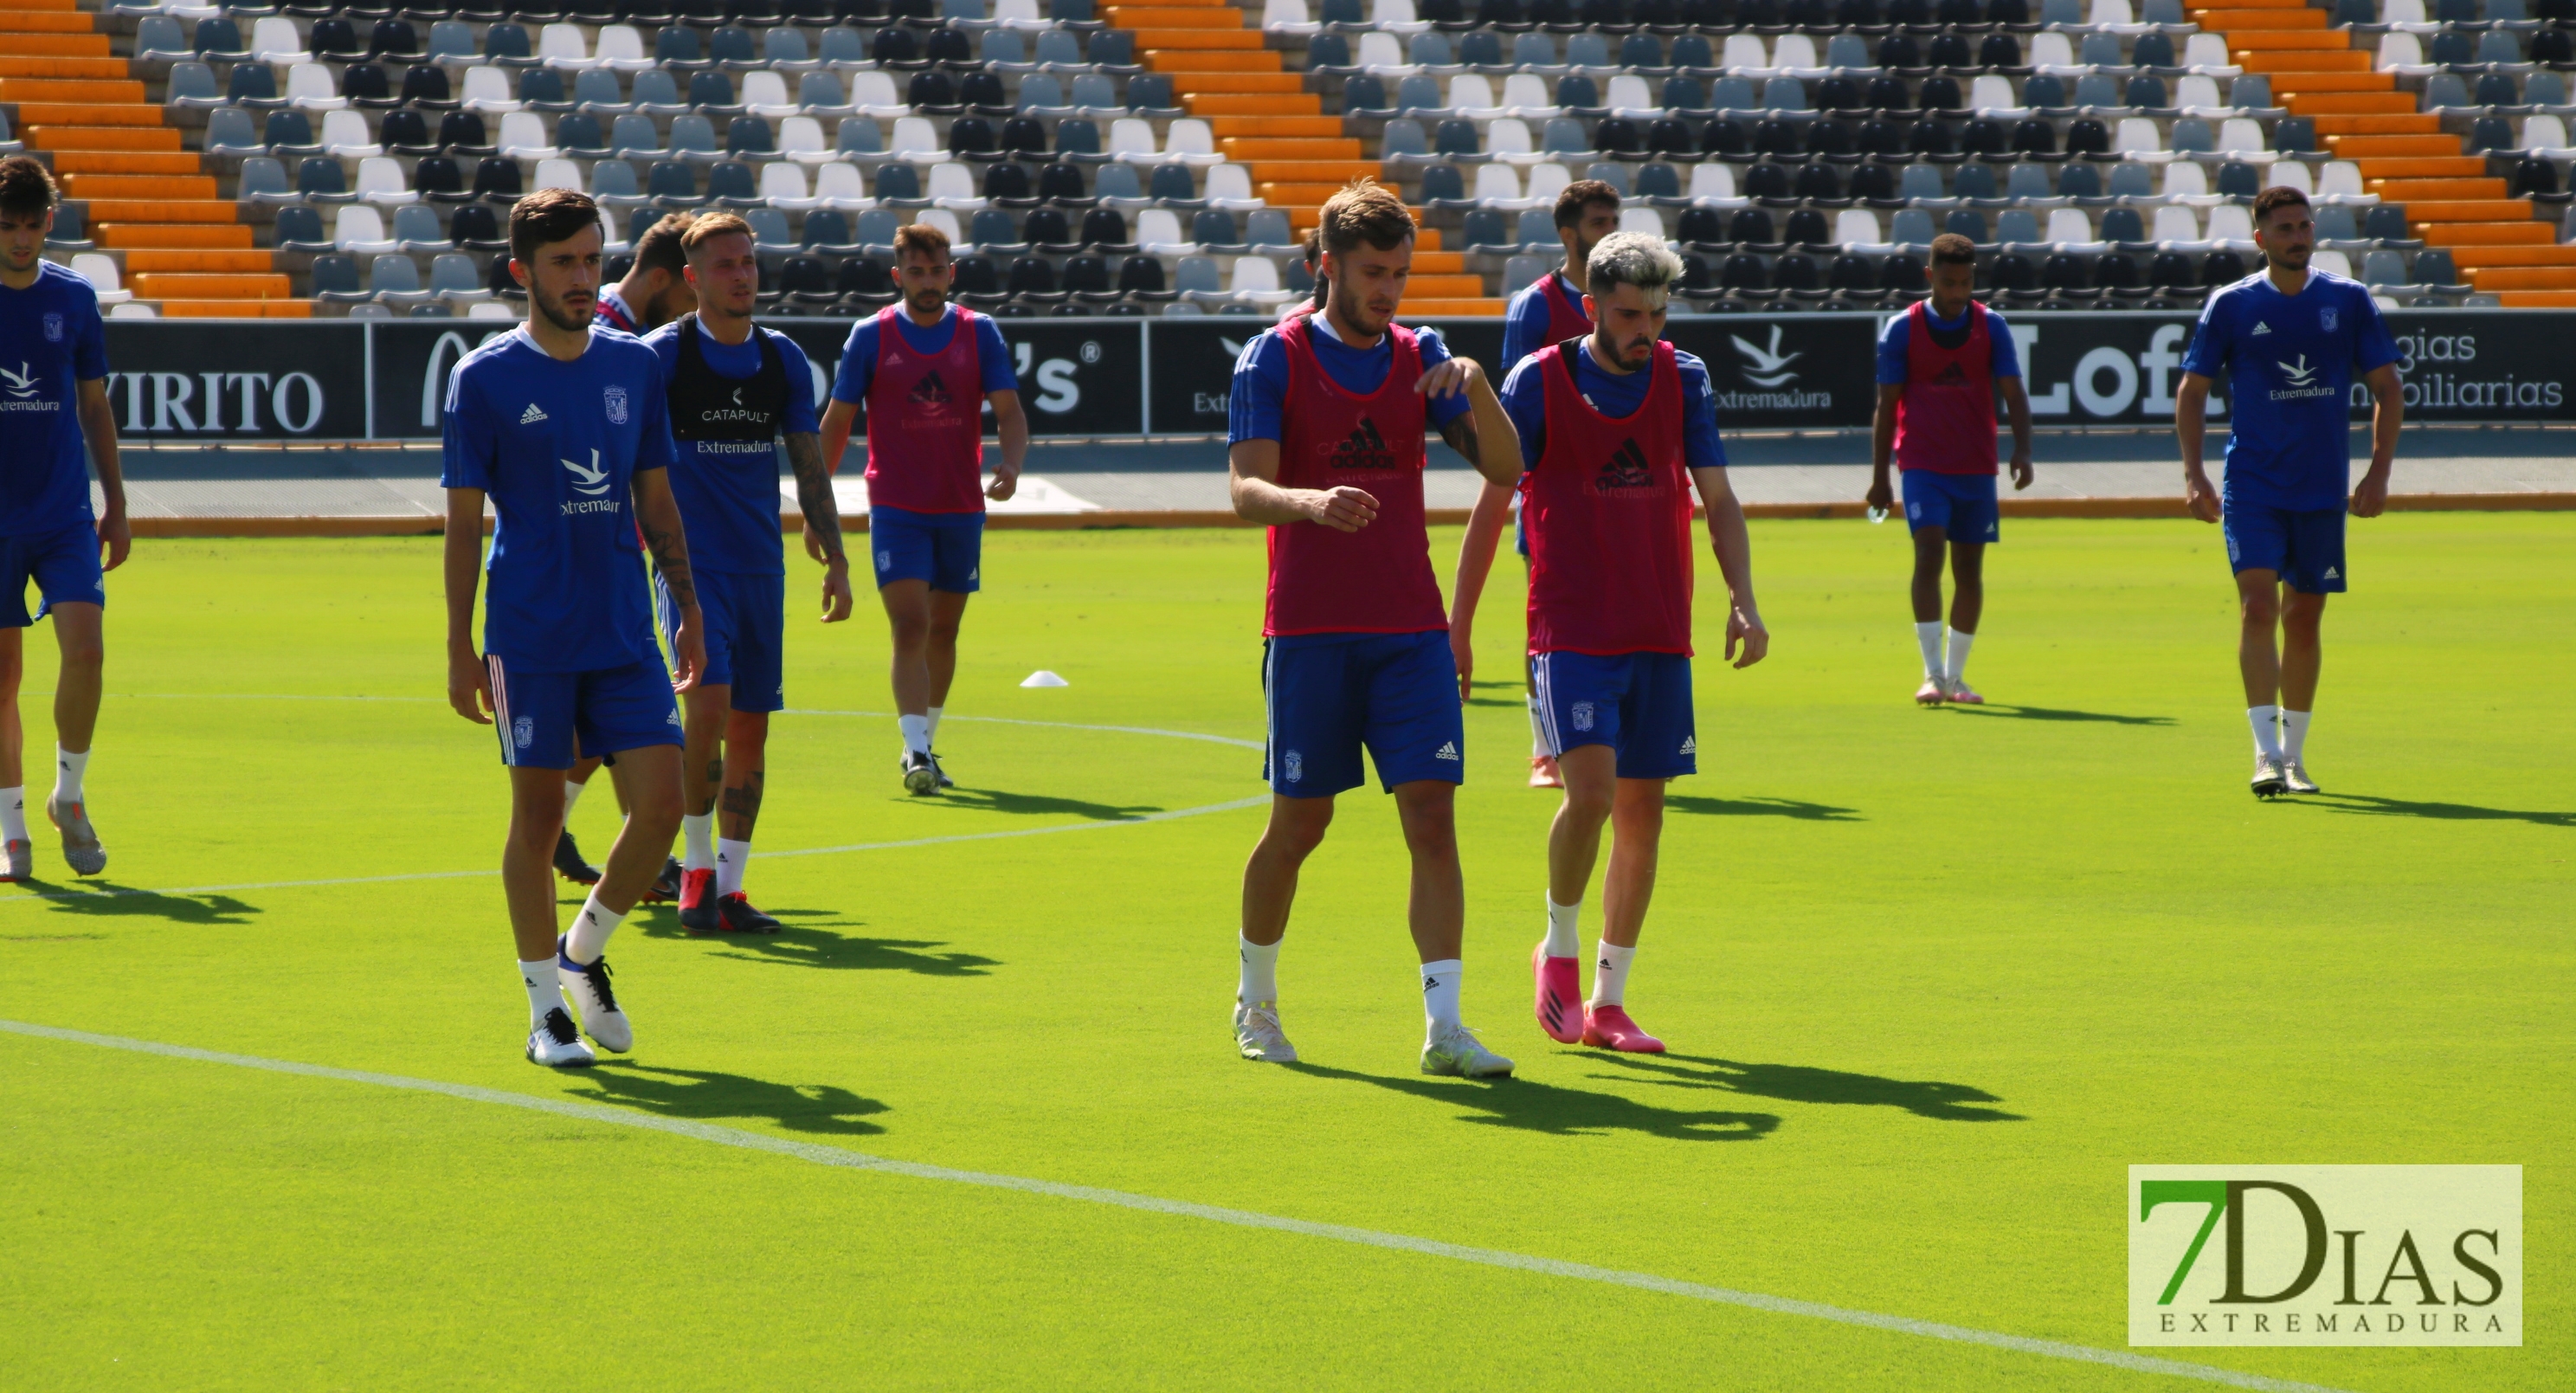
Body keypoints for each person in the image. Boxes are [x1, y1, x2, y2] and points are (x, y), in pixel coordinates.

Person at [1224, 179, 1525, 1075]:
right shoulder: (1271, 358)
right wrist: (1310, 502)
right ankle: (1258, 1000)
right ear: (1327, 266)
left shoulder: (1423, 357)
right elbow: (1245, 491)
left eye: (1399, 273)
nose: (1389, 291)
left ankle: (1445, 1027)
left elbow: (1509, 468)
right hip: (1312, 633)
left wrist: (1474, 382)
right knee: (1299, 826)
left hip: (1410, 631)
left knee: (1432, 820)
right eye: (1372, 273)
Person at [1480, 232, 1768, 1053]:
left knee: (1645, 815)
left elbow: (1718, 498)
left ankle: (1609, 1003)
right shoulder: (1537, 382)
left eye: (1657, 314)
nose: (1646, 329)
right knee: (1594, 796)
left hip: (1659, 630)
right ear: (1593, 306)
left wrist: (1743, 602)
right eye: (1630, 314)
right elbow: (1492, 501)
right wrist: (1457, 624)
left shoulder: (1685, 377)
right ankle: (1558, 950)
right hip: (1569, 629)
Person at [441, 188, 706, 1067]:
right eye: (564, 263)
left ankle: (581, 954)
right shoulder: (482, 379)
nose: (584, 278)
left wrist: (690, 609)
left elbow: (657, 499)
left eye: (593, 259)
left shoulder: (633, 368)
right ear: (523, 272)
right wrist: (457, 643)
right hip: (530, 632)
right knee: (538, 821)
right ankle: (542, 1011)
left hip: (626, 626)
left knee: (664, 803)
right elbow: (463, 523)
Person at [641, 213, 852, 935]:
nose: (742, 275)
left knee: (752, 728)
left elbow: (807, 459)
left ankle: (731, 886)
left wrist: (836, 554)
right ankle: (694, 871)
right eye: (726, 265)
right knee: (707, 709)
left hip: (762, 567)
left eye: (749, 263)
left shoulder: (782, 358)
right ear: (693, 280)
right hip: (692, 572)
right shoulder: (660, 358)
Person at [2176, 185, 2401, 799]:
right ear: (2260, 239)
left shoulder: (2348, 300)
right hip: (2252, 483)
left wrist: (2379, 470)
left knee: (2305, 616)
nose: (2298, 237)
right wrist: (2194, 475)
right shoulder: (2232, 305)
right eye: (2285, 229)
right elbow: (2192, 392)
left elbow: (2388, 388)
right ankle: (2264, 753)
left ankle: (2296, 757)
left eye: (2305, 226)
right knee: (2258, 606)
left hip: (2322, 486)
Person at [817, 222, 1028, 794]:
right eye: (916, 271)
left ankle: (927, 743)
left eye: (937, 271)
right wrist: (818, 503)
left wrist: (1011, 462)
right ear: (897, 275)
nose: (928, 281)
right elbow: (836, 423)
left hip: (960, 505)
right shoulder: (871, 335)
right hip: (895, 504)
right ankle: (913, 752)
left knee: (945, 630)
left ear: (951, 273)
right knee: (910, 624)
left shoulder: (979, 332)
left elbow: (1010, 412)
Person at [1453, 179, 1622, 789]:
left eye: (1614, 219)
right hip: (1549, 488)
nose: (1610, 229)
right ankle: (1545, 744)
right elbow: (1514, 408)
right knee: (1546, 611)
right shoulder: (1536, 305)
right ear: (1568, 234)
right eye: (1599, 221)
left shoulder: (1629, 301)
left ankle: (1598, 734)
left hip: (1615, 487)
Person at [554, 210, 702, 891]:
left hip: (606, 546)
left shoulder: (618, 331)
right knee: (620, 709)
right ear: (666, 279)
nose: (694, 309)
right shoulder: (607, 338)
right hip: (599, 551)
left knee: (614, 714)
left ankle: (636, 854)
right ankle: (557, 824)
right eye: (690, 293)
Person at [0, 155, 129, 881]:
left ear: (50, 221)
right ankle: (12, 829)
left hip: (61, 512)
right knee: (2, 678)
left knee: (86, 651)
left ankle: (68, 796)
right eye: (8, 227)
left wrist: (116, 502)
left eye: (32, 225)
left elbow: (93, 406)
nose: (22, 240)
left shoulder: (75, 299)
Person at [1864, 234, 2034, 706]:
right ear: (1929, 277)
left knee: (1969, 569)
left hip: (1977, 466)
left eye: (1965, 282)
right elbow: (1886, 406)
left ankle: (1957, 678)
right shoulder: (1902, 329)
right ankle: (1931, 674)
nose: (1957, 292)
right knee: (1930, 551)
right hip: (1922, 462)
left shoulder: (1991, 326)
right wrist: (1880, 477)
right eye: (1948, 282)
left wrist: (2023, 450)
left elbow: (2014, 393)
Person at [591, 211, 698, 337]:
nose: (693, 310)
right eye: (691, 298)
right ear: (659, 278)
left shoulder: (647, 321)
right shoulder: (600, 336)